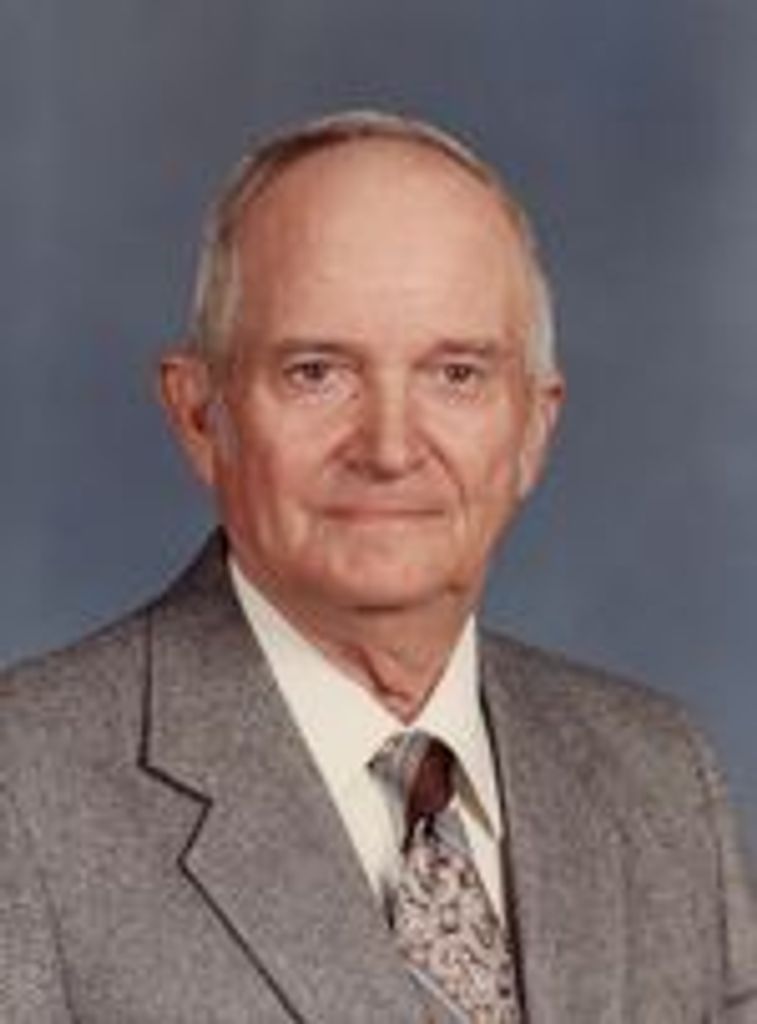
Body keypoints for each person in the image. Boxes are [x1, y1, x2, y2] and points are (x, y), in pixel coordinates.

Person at [1, 110, 755, 1023]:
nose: (390, 448)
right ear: (201, 416)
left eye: (456, 374)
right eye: (317, 372)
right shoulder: (25, 791)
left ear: (532, 428)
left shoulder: (659, 778)